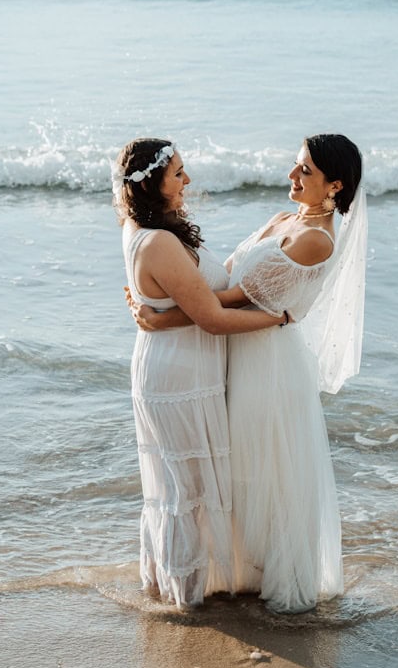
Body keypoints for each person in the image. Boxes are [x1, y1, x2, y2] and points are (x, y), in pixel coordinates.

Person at [129, 134, 367, 614]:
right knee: (238, 472)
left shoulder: (315, 240)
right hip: (243, 351)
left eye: (306, 172)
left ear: (335, 186)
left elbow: (226, 302)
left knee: (267, 472)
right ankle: (240, 573)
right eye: (296, 165)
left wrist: (159, 315)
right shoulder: (288, 219)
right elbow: (223, 283)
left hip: (269, 363)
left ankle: (276, 579)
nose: (292, 176)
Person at [113, 138, 284, 609]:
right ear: (151, 184)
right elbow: (212, 316)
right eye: (178, 174)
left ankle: (177, 587)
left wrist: (161, 316)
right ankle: (184, 601)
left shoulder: (142, 226)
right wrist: (278, 317)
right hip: (178, 377)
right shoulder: (160, 242)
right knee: (184, 490)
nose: (187, 180)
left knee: (180, 486)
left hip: (176, 362)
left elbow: (204, 297)